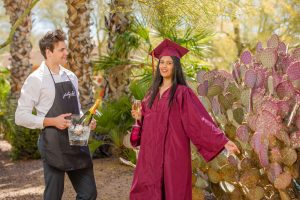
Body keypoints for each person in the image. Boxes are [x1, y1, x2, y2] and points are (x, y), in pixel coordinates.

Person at [129, 39, 240, 200]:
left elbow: (198, 120)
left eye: (169, 63)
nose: (164, 66)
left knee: (173, 192)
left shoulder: (182, 93)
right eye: (162, 62)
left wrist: (221, 141)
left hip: (172, 156)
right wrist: (139, 119)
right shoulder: (150, 95)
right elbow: (141, 131)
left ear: (176, 67)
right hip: (150, 158)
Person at [15, 29, 97, 200]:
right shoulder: (36, 79)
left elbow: (77, 109)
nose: (66, 53)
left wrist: (85, 121)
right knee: (54, 195)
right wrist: (52, 121)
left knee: (88, 193)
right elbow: (20, 116)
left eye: (65, 49)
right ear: (48, 52)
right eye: (61, 50)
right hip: (53, 145)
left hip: (77, 141)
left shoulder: (71, 76)